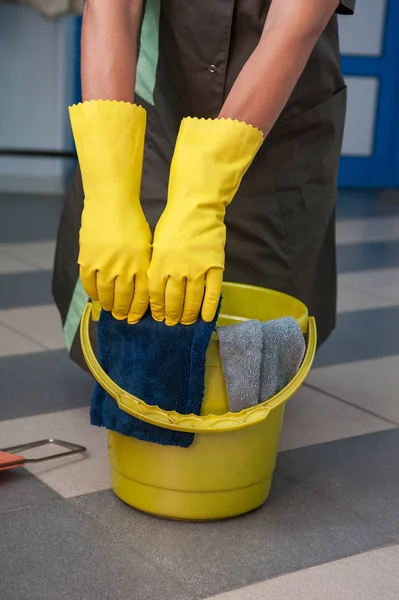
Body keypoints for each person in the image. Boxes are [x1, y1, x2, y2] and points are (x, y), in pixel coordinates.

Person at [53, 0, 355, 369]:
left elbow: (292, 23)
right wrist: (109, 193)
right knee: (121, 318)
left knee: (252, 354)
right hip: (161, 95)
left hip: (278, 111)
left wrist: (201, 200)